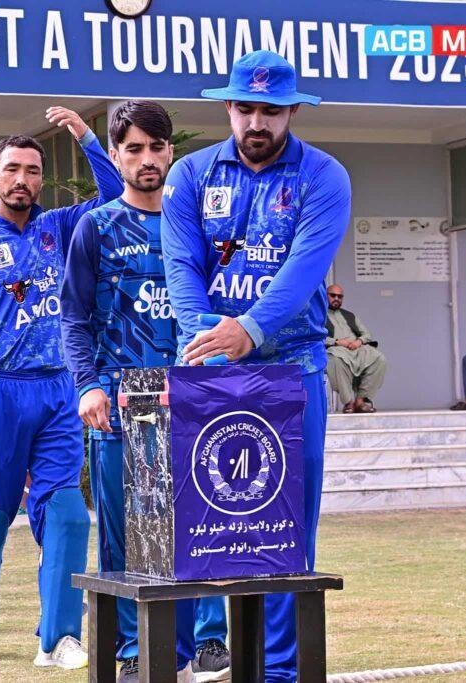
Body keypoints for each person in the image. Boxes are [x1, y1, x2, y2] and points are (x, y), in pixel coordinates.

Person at [161, 51, 351, 682]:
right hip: (209, 369)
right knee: (208, 516)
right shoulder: (189, 174)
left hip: (291, 365)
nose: (257, 121)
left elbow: (304, 267)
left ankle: (278, 670)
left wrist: (252, 328)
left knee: (283, 519)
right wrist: (207, 339)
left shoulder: (324, 176)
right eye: (246, 108)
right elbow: (182, 268)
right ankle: (203, 656)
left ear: (293, 111)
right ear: (228, 107)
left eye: (271, 109)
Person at [0, 106, 123, 668]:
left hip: (60, 391)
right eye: (12, 169)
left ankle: (62, 635)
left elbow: (114, 196)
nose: (23, 180)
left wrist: (88, 137)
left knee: (67, 512)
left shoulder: (60, 227)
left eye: (33, 171)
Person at [61, 100, 229, 683]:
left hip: (192, 390)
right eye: (134, 148)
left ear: (171, 152)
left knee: (201, 521)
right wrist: (87, 386)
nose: (148, 159)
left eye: (157, 147)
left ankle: (209, 643)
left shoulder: (199, 223)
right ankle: (134, 650)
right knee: (128, 531)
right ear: (114, 155)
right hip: (122, 394)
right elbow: (73, 318)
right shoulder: (97, 226)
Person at [325, 284, 387, 413]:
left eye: (340, 296)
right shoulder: (319, 315)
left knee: (379, 358)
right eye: (333, 295)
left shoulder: (349, 315)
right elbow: (315, 337)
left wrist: (359, 342)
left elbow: (367, 334)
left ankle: (361, 400)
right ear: (326, 296)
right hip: (336, 348)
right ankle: (349, 402)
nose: (336, 298)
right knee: (336, 360)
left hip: (355, 348)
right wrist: (336, 341)